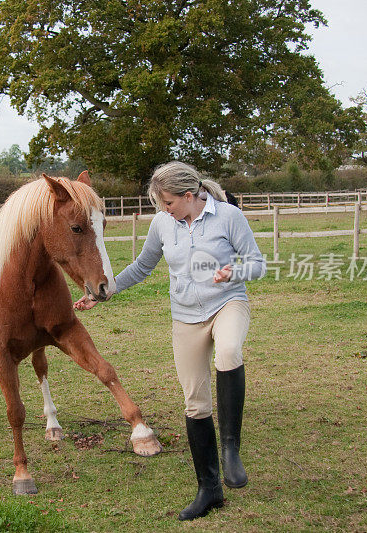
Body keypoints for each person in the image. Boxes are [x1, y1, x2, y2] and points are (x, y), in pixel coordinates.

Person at [75, 161, 266, 521]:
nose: (165, 210)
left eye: (169, 203)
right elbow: (143, 265)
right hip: (185, 317)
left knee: (228, 352)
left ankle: (231, 450)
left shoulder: (227, 216)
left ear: (189, 196)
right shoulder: (163, 223)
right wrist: (104, 293)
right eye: (162, 205)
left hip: (228, 303)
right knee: (195, 404)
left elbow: (257, 264)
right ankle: (209, 490)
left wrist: (232, 272)